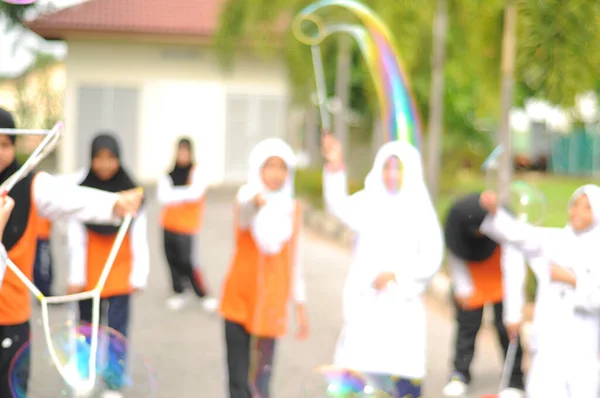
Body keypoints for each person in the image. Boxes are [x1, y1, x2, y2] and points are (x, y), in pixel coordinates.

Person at [0, 108, 143, 396]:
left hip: (11, 314)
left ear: (15, 147)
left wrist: (112, 203)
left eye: (4, 144)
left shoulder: (30, 183)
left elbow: (69, 198)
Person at [321, 133, 443, 398]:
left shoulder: (420, 209)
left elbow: (432, 257)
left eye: (398, 169)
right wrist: (334, 167)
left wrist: (396, 275)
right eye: (387, 167)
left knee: (399, 379)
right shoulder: (368, 201)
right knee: (359, 375)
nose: (391, 174)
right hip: (367, 306)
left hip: (402, 310)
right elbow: (336, 206)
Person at [479, 185, 600, 398]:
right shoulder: (556, 240)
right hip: (549, 338)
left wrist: (573, 280)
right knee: (544, 386)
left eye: (587, 208)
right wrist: (496, 210)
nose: (577, 212)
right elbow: (520, 235)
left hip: (581, 343)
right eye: (575, 205)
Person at [219, 138, 309, 398]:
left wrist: (300, 306)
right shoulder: (247, 197)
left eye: (282, 167)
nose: (275, 173)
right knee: (237, 377)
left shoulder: (292, 209)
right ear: (258, 168)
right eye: (269, 165)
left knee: (261, 381)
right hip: (238, 300)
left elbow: (296, 258)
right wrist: (257, 202)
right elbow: (246, 211)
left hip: (271, 304)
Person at [66, 133, 150, 398]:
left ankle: (113, 383)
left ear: (119, 159)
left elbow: (139, 236)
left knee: (117, 331)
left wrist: (139, 275)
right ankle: (84, 377)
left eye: (110, 158)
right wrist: (74, 276)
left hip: (119, 272)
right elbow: (74, 239)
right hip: (89, 274)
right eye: (98, 158)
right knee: (86, 328)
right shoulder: (81, 191)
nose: (104, 164)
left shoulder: (131, 192)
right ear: (91, 160)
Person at [442, 193, 526, 398]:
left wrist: (513, 312)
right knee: (467, 327)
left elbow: (515, 269)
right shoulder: (457, 226)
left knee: (506, 329)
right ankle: (460, 372)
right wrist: (462, 287)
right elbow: (456, 256)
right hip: (473, 282)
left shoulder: (505, 229)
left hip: (501, 280)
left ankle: (514, 380)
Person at [157, 137, 217, 312]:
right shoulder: (169, 173)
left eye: (186, 151)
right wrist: (183, 194)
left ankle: (202, 294)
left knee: (189, 261)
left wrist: (175, 195)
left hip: (188, 226)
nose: (183, 155)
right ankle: (179, 291)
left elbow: (195, 194)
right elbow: (163, 197)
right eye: (180, 151)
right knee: (171, 259)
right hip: (168, 224)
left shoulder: (196, 172)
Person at [33, 217, 54, 297]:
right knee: (42, 263)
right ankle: (44, 291)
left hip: (41, 231)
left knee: (41, 262)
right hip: (40, 232)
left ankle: (44, 290)